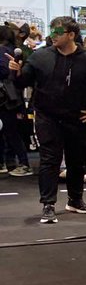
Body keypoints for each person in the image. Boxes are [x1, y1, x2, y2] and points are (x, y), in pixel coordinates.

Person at [7, 17, 86, 224]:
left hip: (78, 117)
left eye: (58, 31)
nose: (53, 35)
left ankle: (75, 201)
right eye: (52, 31)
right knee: (50, 160)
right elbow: (23, 82)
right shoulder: (40, 56)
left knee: (77, 161)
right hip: (47, 117)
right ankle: (48, 205)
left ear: (71, 35)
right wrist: (16, 72)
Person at [0, 23, 32, 176]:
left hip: (5, 98)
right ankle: (13, 162)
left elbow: (6, 73)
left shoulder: (3, 52)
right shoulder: (15, 51)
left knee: (9, 131)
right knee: (10, 131)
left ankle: (21, 163)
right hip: (12, 97)